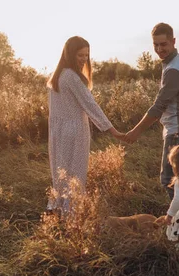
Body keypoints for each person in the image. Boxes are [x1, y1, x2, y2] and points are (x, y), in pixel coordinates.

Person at [47, 36, 124, 214]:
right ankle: (71, 214)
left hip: (58, 131)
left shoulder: (57, 76)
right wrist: (113, 130)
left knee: (61, 171)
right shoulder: (72, 77)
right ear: (69, 54)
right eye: (80, 55)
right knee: (75, 173)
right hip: (74, 130)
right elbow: (90, 105)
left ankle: (58, 209)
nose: (83, 59)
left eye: (86, 56)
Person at [124, 23, 179, 200]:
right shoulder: (172, 62)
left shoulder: (174, 69)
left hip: (178, 129)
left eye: (163, 44)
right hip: (177, 127)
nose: (159, 49)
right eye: (155, 45)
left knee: (170, 180)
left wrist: (136, 132)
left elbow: (159, 106)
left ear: (173, 41)